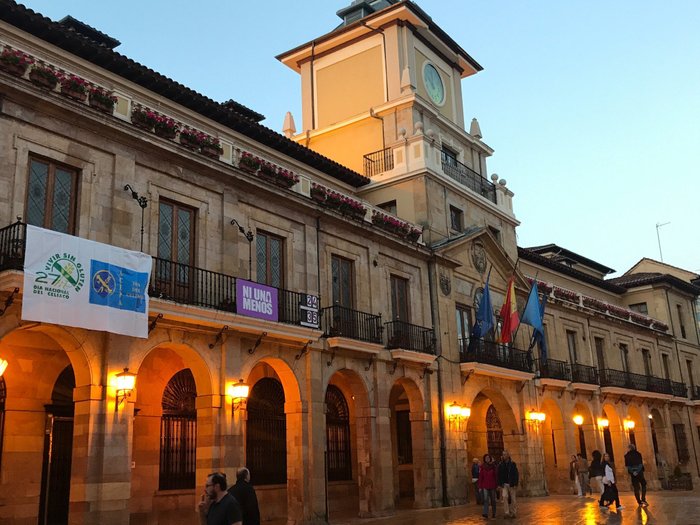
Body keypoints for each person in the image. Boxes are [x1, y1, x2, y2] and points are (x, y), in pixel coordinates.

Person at [497, 450, 519, 519]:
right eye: (503, 454)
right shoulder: (500, 465)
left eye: (505, 454)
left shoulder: (512, 464)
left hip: (511, 483)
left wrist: (515, 483)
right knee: (505, 497)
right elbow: (499, 475)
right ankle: (506, 512)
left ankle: (514, 512)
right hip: (504, 484)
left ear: (508, 455)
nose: (504, 456)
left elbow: (516, 474)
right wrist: (500, 484)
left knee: (513, 498)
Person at [478, 453, 498, 519]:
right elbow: (480, 477)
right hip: (485, 485)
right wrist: (480, 486)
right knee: (486, 499)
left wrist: (497, 485)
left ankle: (494, 513)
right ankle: (485, 513)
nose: (487, 459)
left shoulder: (493, 466)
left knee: (493, 500)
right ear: (484, 459)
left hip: (492, 485)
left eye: (488, 458)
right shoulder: (482, 467)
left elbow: (496, 476)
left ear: (490, 459)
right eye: (486, 458)